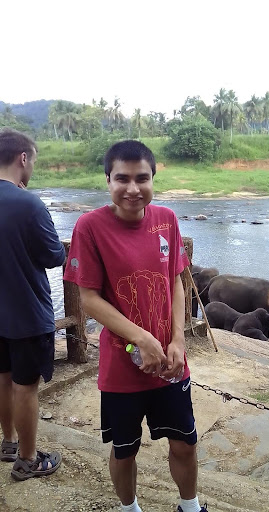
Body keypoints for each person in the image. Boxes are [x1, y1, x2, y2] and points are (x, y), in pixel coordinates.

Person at [64, 140, 207, 512]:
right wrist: (142, 337)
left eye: (142, 178)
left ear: (153, 178)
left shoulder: (167, 219)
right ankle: (130, 509)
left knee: (185, 442)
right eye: (122, 178)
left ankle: (189, 507)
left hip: (170, 362)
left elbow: (176, 280)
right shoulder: (90, 227)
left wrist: (178, 340)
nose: (132, 189)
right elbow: (90, 298)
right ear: (107, 181)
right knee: (125, 449)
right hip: (122, 365)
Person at [0, 129, 65, 480]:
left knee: (2, 378)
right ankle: (27, 459)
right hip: (26, 315)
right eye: (33, 161)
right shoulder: (28, 203)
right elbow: (54, 255)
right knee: (26, 388)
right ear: (23, 158)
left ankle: (8, 442)